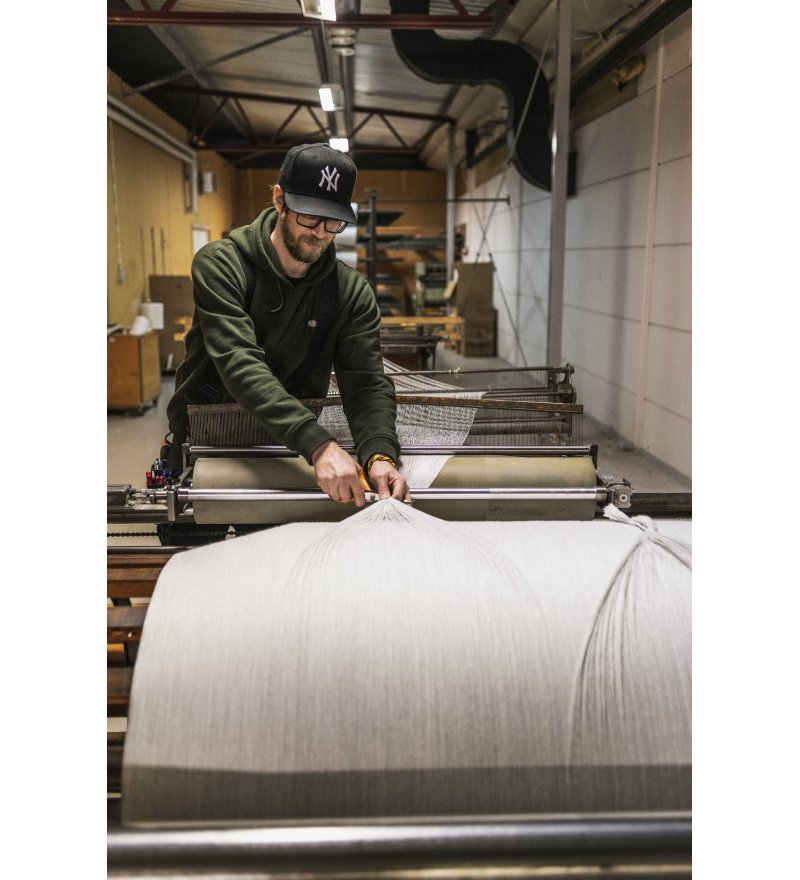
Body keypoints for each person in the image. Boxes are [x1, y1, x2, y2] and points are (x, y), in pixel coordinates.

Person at [165, 142, 409, 506]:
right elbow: (240, 365)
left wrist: (379, 453)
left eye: (333, 221)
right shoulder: (222, 265)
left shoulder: (349, 292)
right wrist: (320, 445)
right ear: (279, 200)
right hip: (207, 442)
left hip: (289, 449)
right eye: (309, 217)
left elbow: (365, 384)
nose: (320, 233)